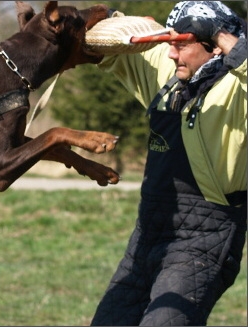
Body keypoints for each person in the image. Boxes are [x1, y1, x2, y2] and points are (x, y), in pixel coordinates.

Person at [90, 1, 247, 325]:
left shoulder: (238, 88)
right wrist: (137, 27)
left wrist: (220, 32)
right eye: (170, 45)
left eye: (182, 45)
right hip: (148, 231)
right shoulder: (171, 71)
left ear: (215, 47)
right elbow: (100, 39)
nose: (172, 54)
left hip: (205, 237)